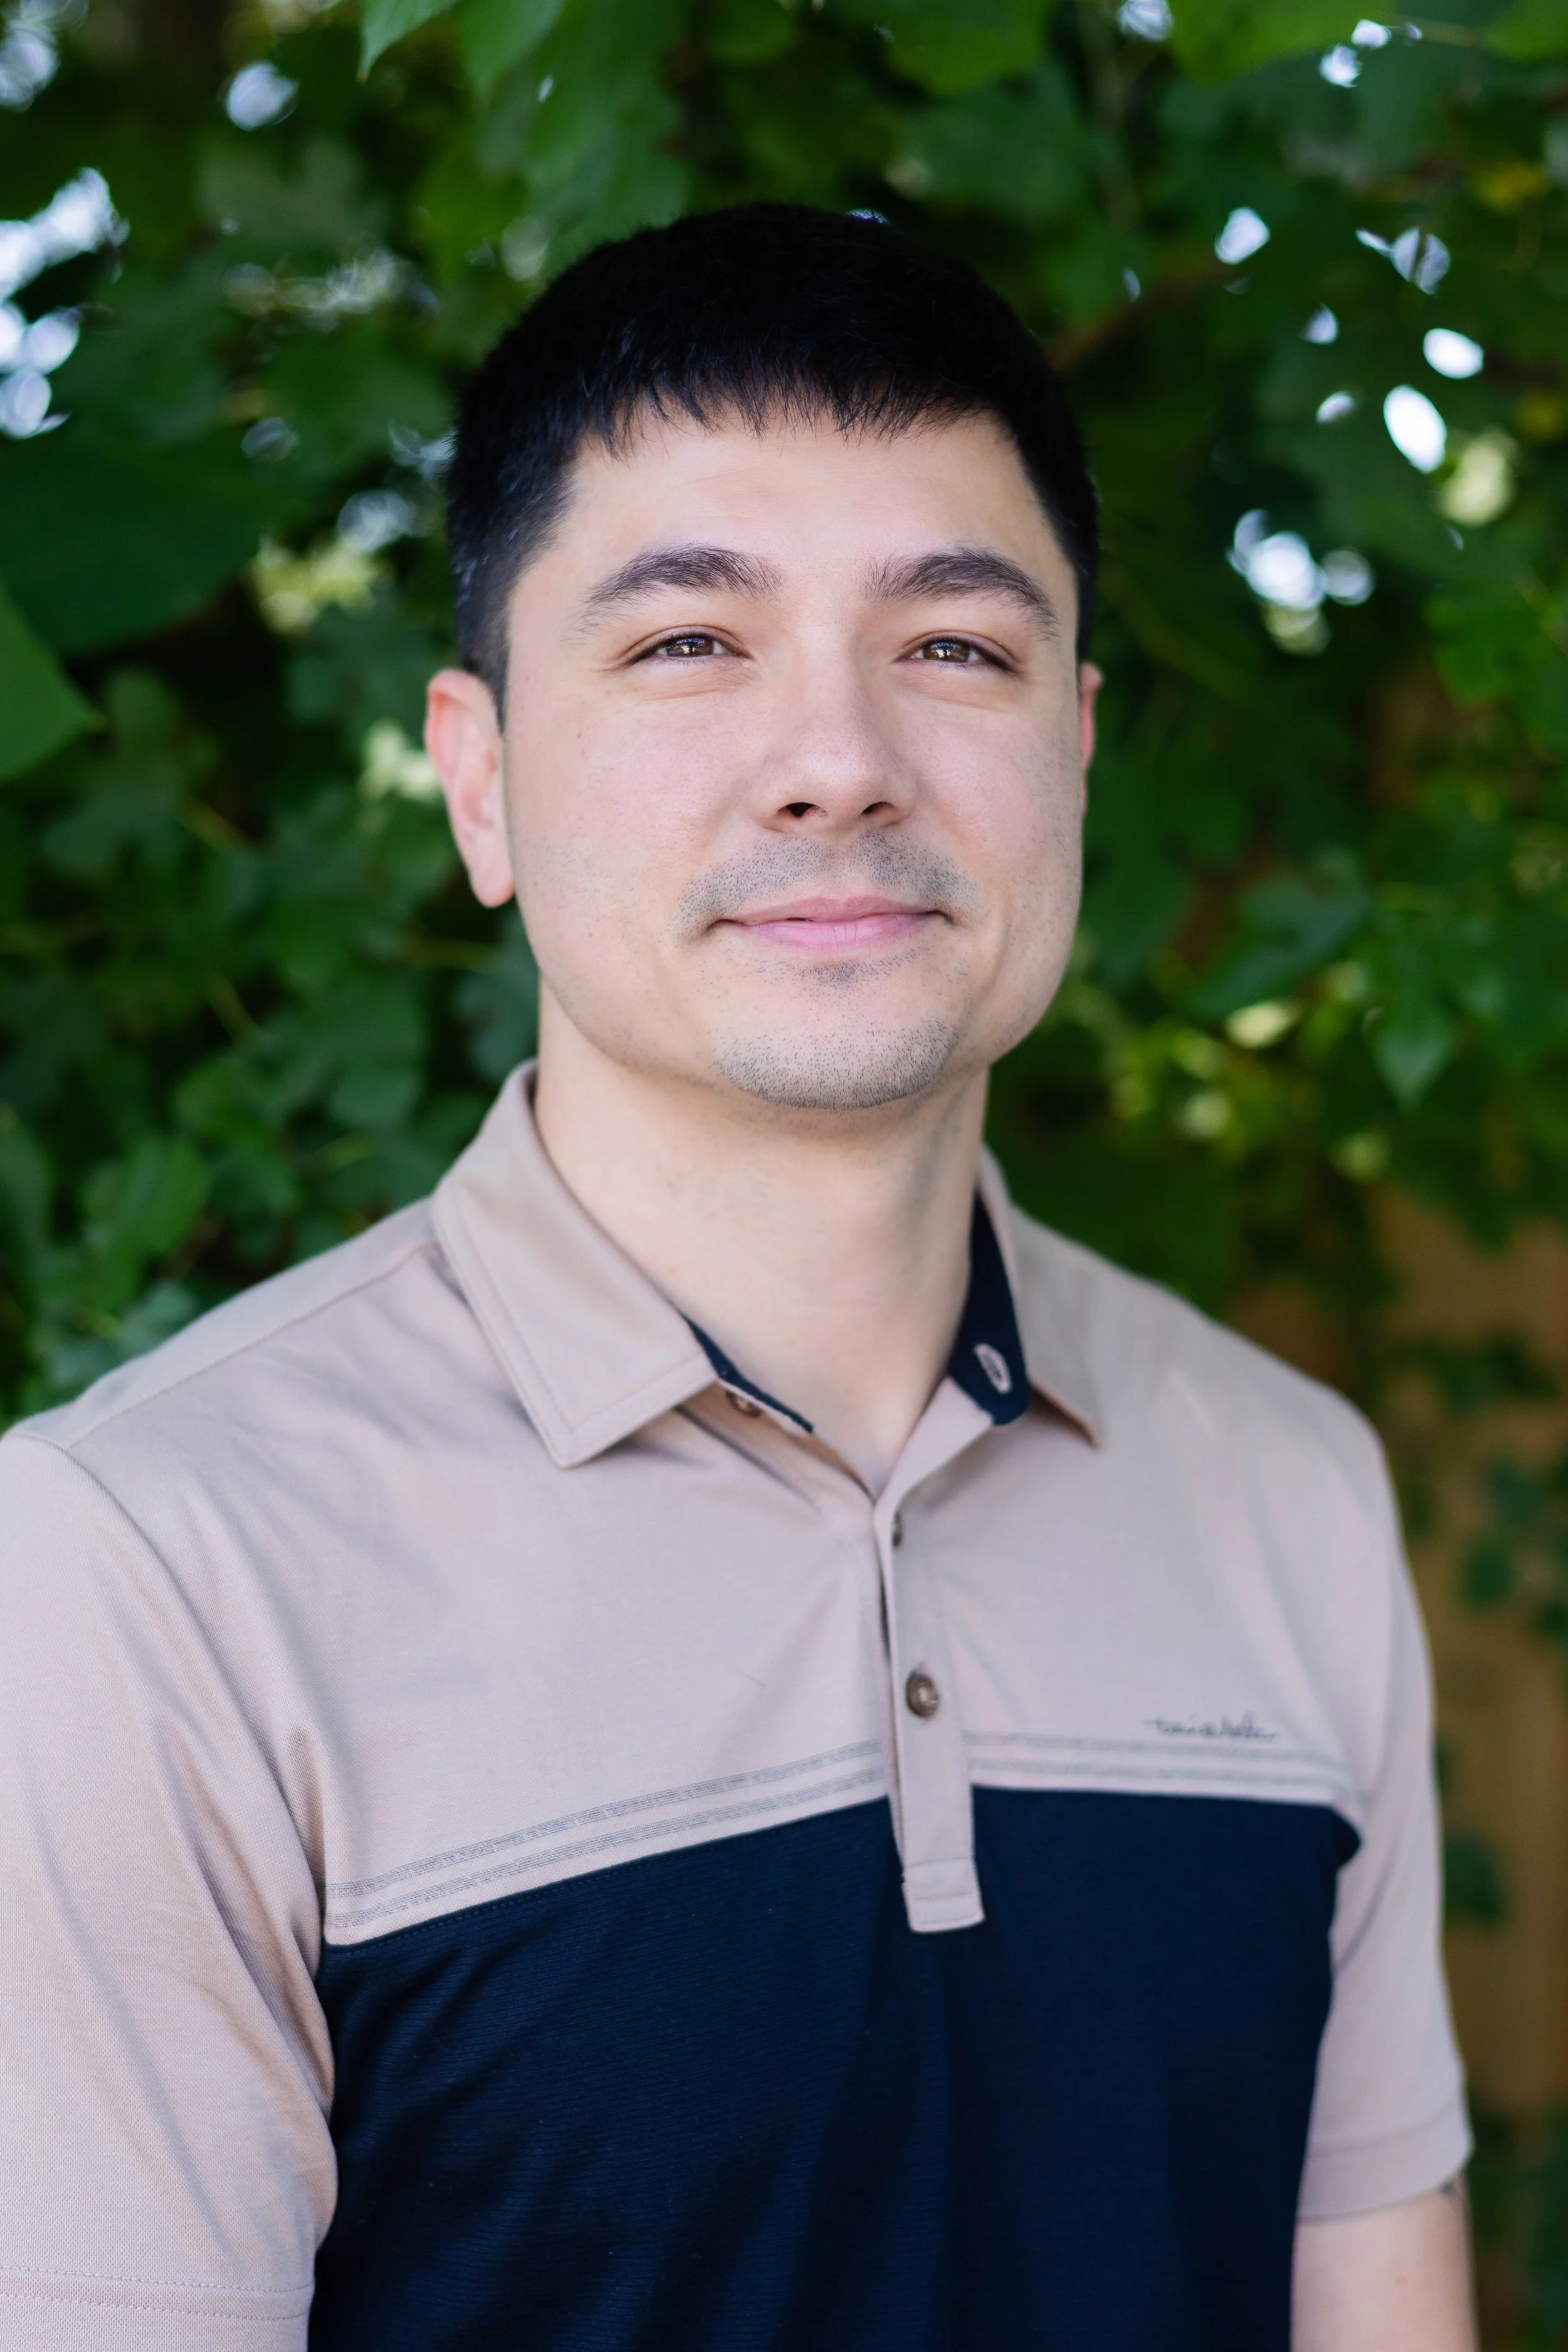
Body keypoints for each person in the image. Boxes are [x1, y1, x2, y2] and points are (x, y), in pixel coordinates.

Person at [0, 204, 1474, 2352]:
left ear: (1073, 746)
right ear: (481, 780)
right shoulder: (151, 1568)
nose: (839, 757)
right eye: (689, 642)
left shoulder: (1287, 1487)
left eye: (950, 647)